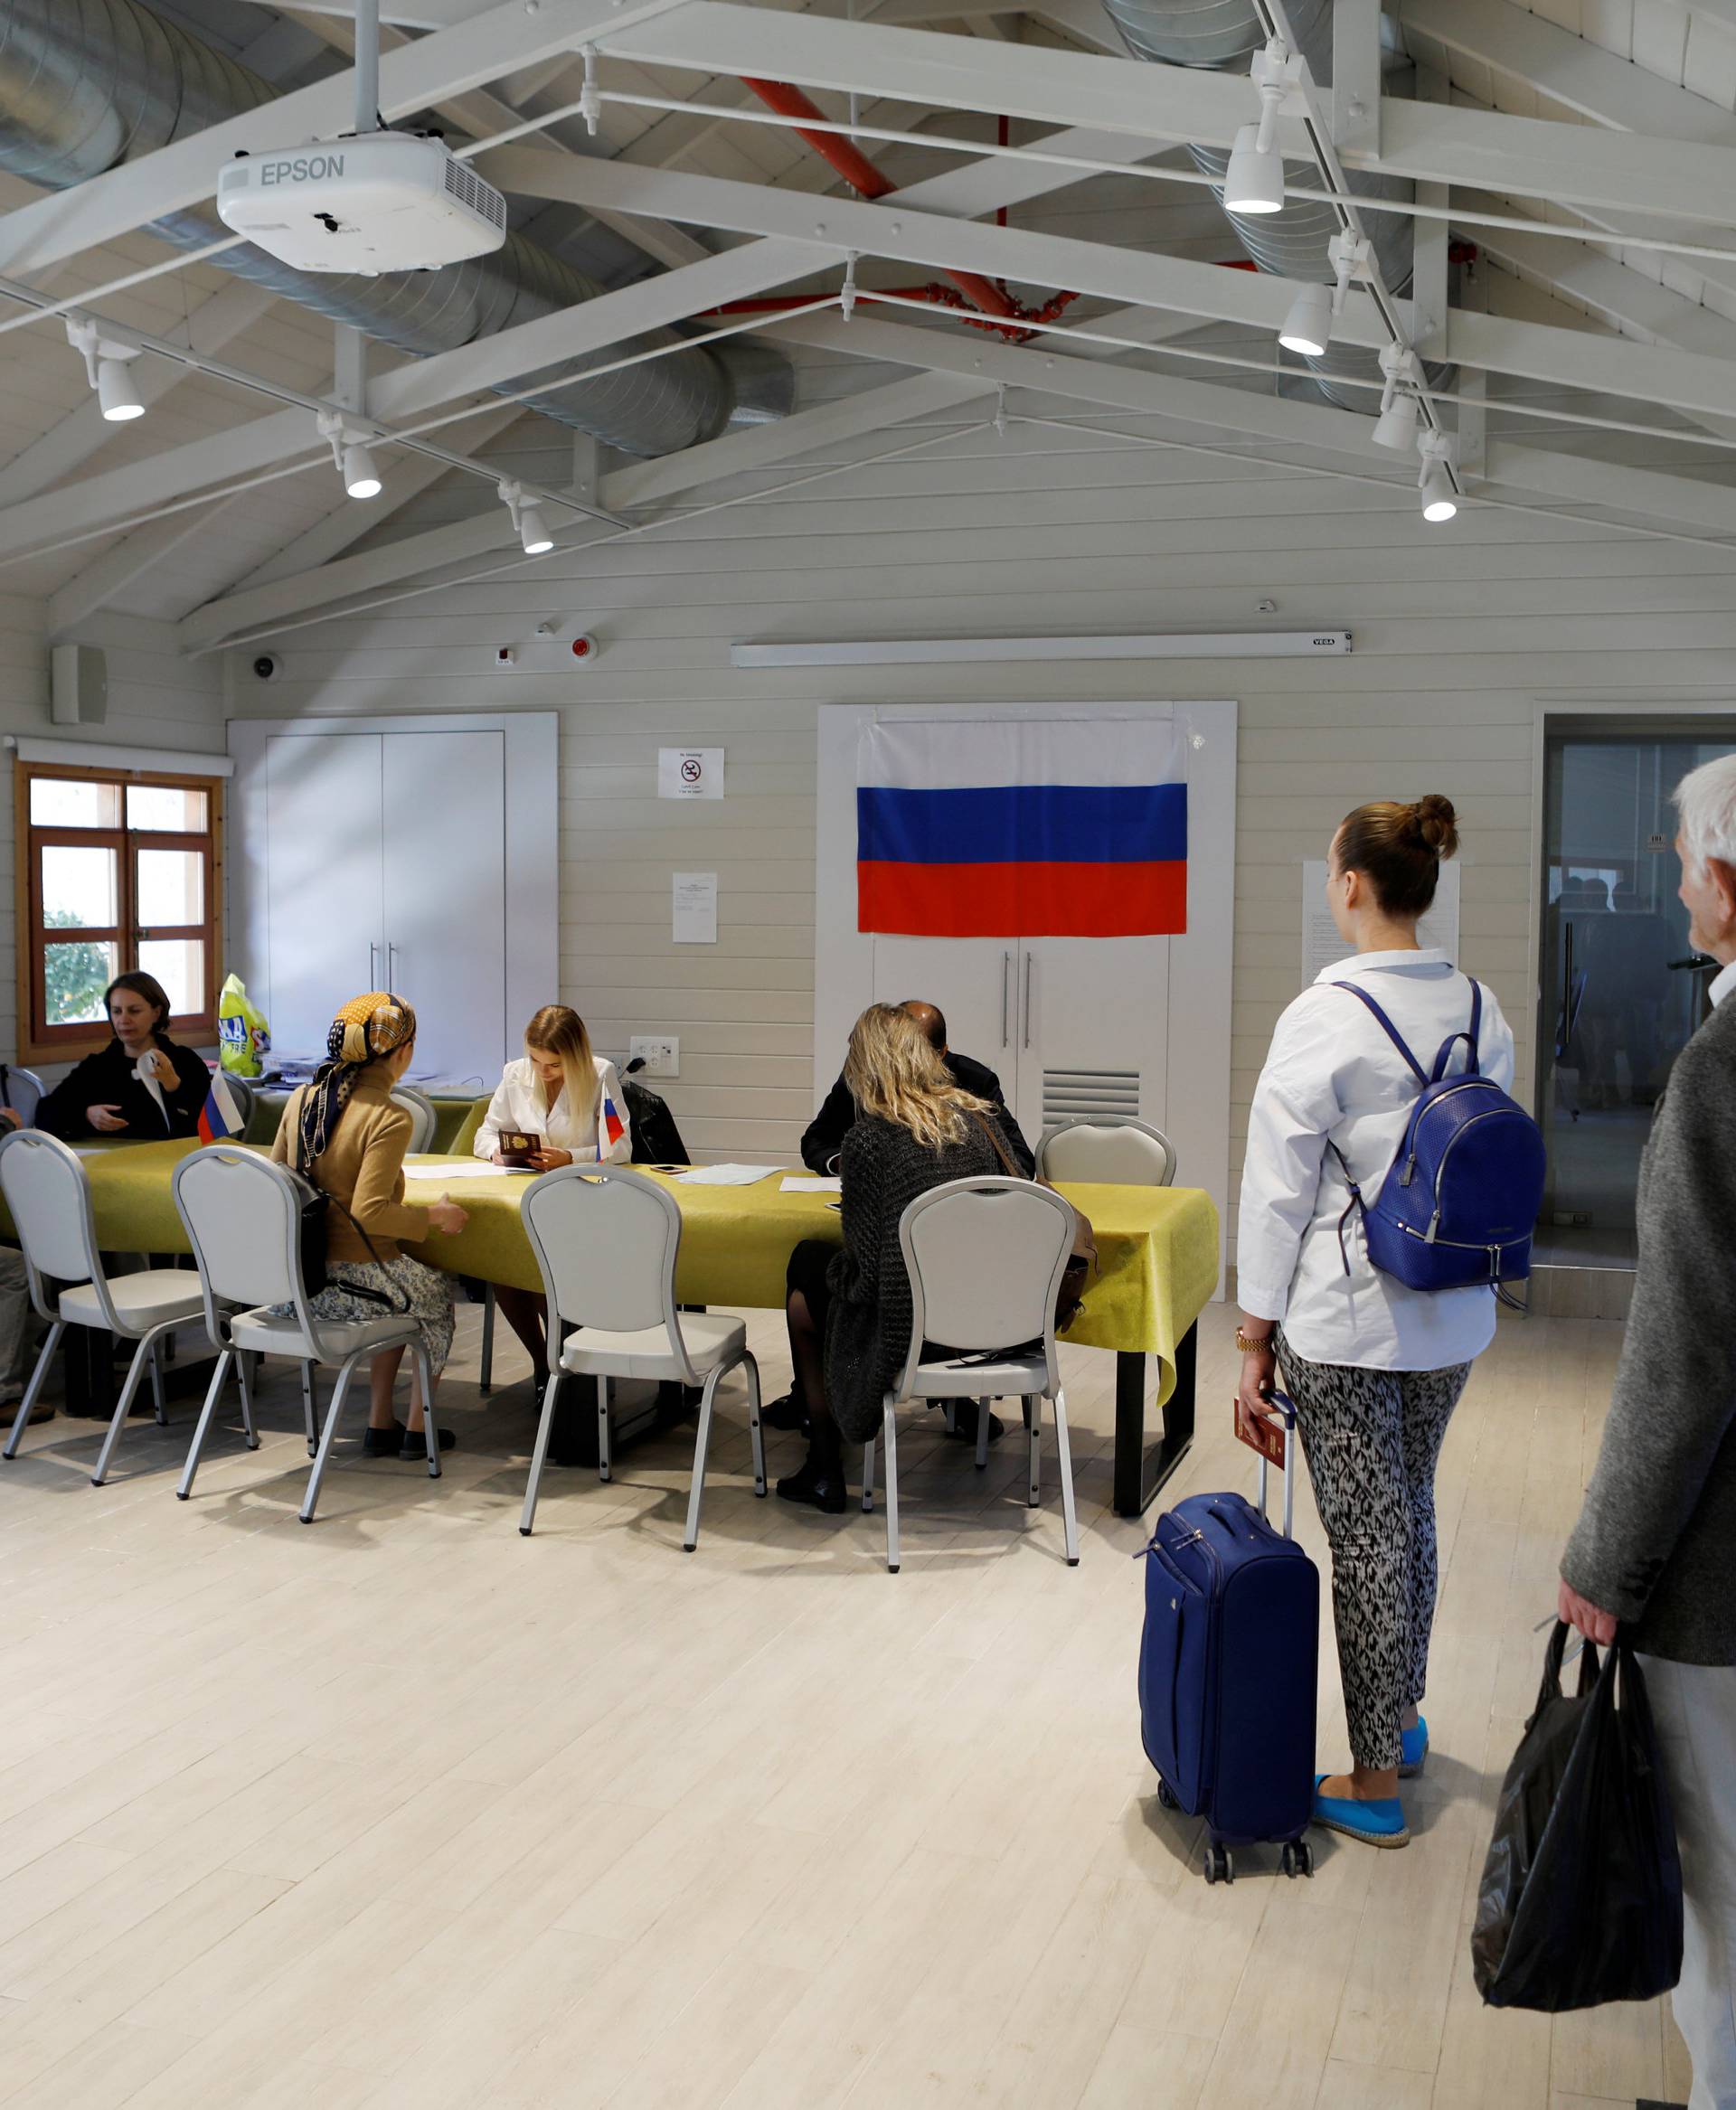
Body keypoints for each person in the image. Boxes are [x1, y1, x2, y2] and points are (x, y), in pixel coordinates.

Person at [1235, 796, 1515, 1850]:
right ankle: (1400, 1712)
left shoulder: (1323, 1017)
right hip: (1455, 1314)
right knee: (1412, 1513)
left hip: (1348, 1323)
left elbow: (1277, 1194)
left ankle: (1374, 1776)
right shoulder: (1484, 1007)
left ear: (1351, 883)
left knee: (1365, 1542)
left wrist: (1254, 1339)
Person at [1558, 753, 1736, 2110]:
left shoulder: (1721, 1077)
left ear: (1723, 883)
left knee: (1727, 1906)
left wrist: (1603, 1564)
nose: (1677, 885)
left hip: (1720, 1581)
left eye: (1683, 862)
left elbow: (1683, 1362)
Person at [777, 1003, 1022, 1513]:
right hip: (994, 1321)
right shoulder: (977, 1120)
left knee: (805, 1276)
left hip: (910, 1332)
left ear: (868, 1063)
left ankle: (824, 1466)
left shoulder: (869, 1140)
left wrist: (834, 1273)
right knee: (817, 1272)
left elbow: (869, 1280)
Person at [272, 992, 468, 1461]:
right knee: (433, 1295)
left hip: (297, 1285)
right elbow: (370, 1212)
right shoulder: (387, 1116)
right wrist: (434, 1216)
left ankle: (381, 1422)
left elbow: (275, 1185)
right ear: (405, 1052)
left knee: (408, 1288)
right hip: (353, 1280)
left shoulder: (302, 1099)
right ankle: (418, 1427)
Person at [473, 1004, 631, 1380]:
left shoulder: (600, 1073)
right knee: (503, 1270)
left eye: (554, 1065)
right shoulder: (515, 1073)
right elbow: (484, 1133)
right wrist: (498, 1152)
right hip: (523, 1199)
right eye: (536, 1061)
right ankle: (542, 1361)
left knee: (546, 1271)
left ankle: (567, 1359)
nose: (543, 1073)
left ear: (574, 1057)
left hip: (580, 1200)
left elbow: (620, 1149)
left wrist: (569, 1158)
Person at [800, 999, 1033, 1177]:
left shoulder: (974, 1088)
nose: (900, 1063)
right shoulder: (862, 1082)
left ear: (940, 1054)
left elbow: (1019, 1162)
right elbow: (815, 1142)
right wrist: (843, 1163)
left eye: (910, 1053)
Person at [36, 973, 210, 1142]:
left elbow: (212, 1122)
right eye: (117, 1011)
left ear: (156, 1013)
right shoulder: (97, 1067)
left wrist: (175, 1086)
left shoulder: (184, 1061)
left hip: (171, 1165)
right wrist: (86, 1114)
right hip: (109, 1167)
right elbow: (44, 1114)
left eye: (134, 1011)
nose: (123, 1020)